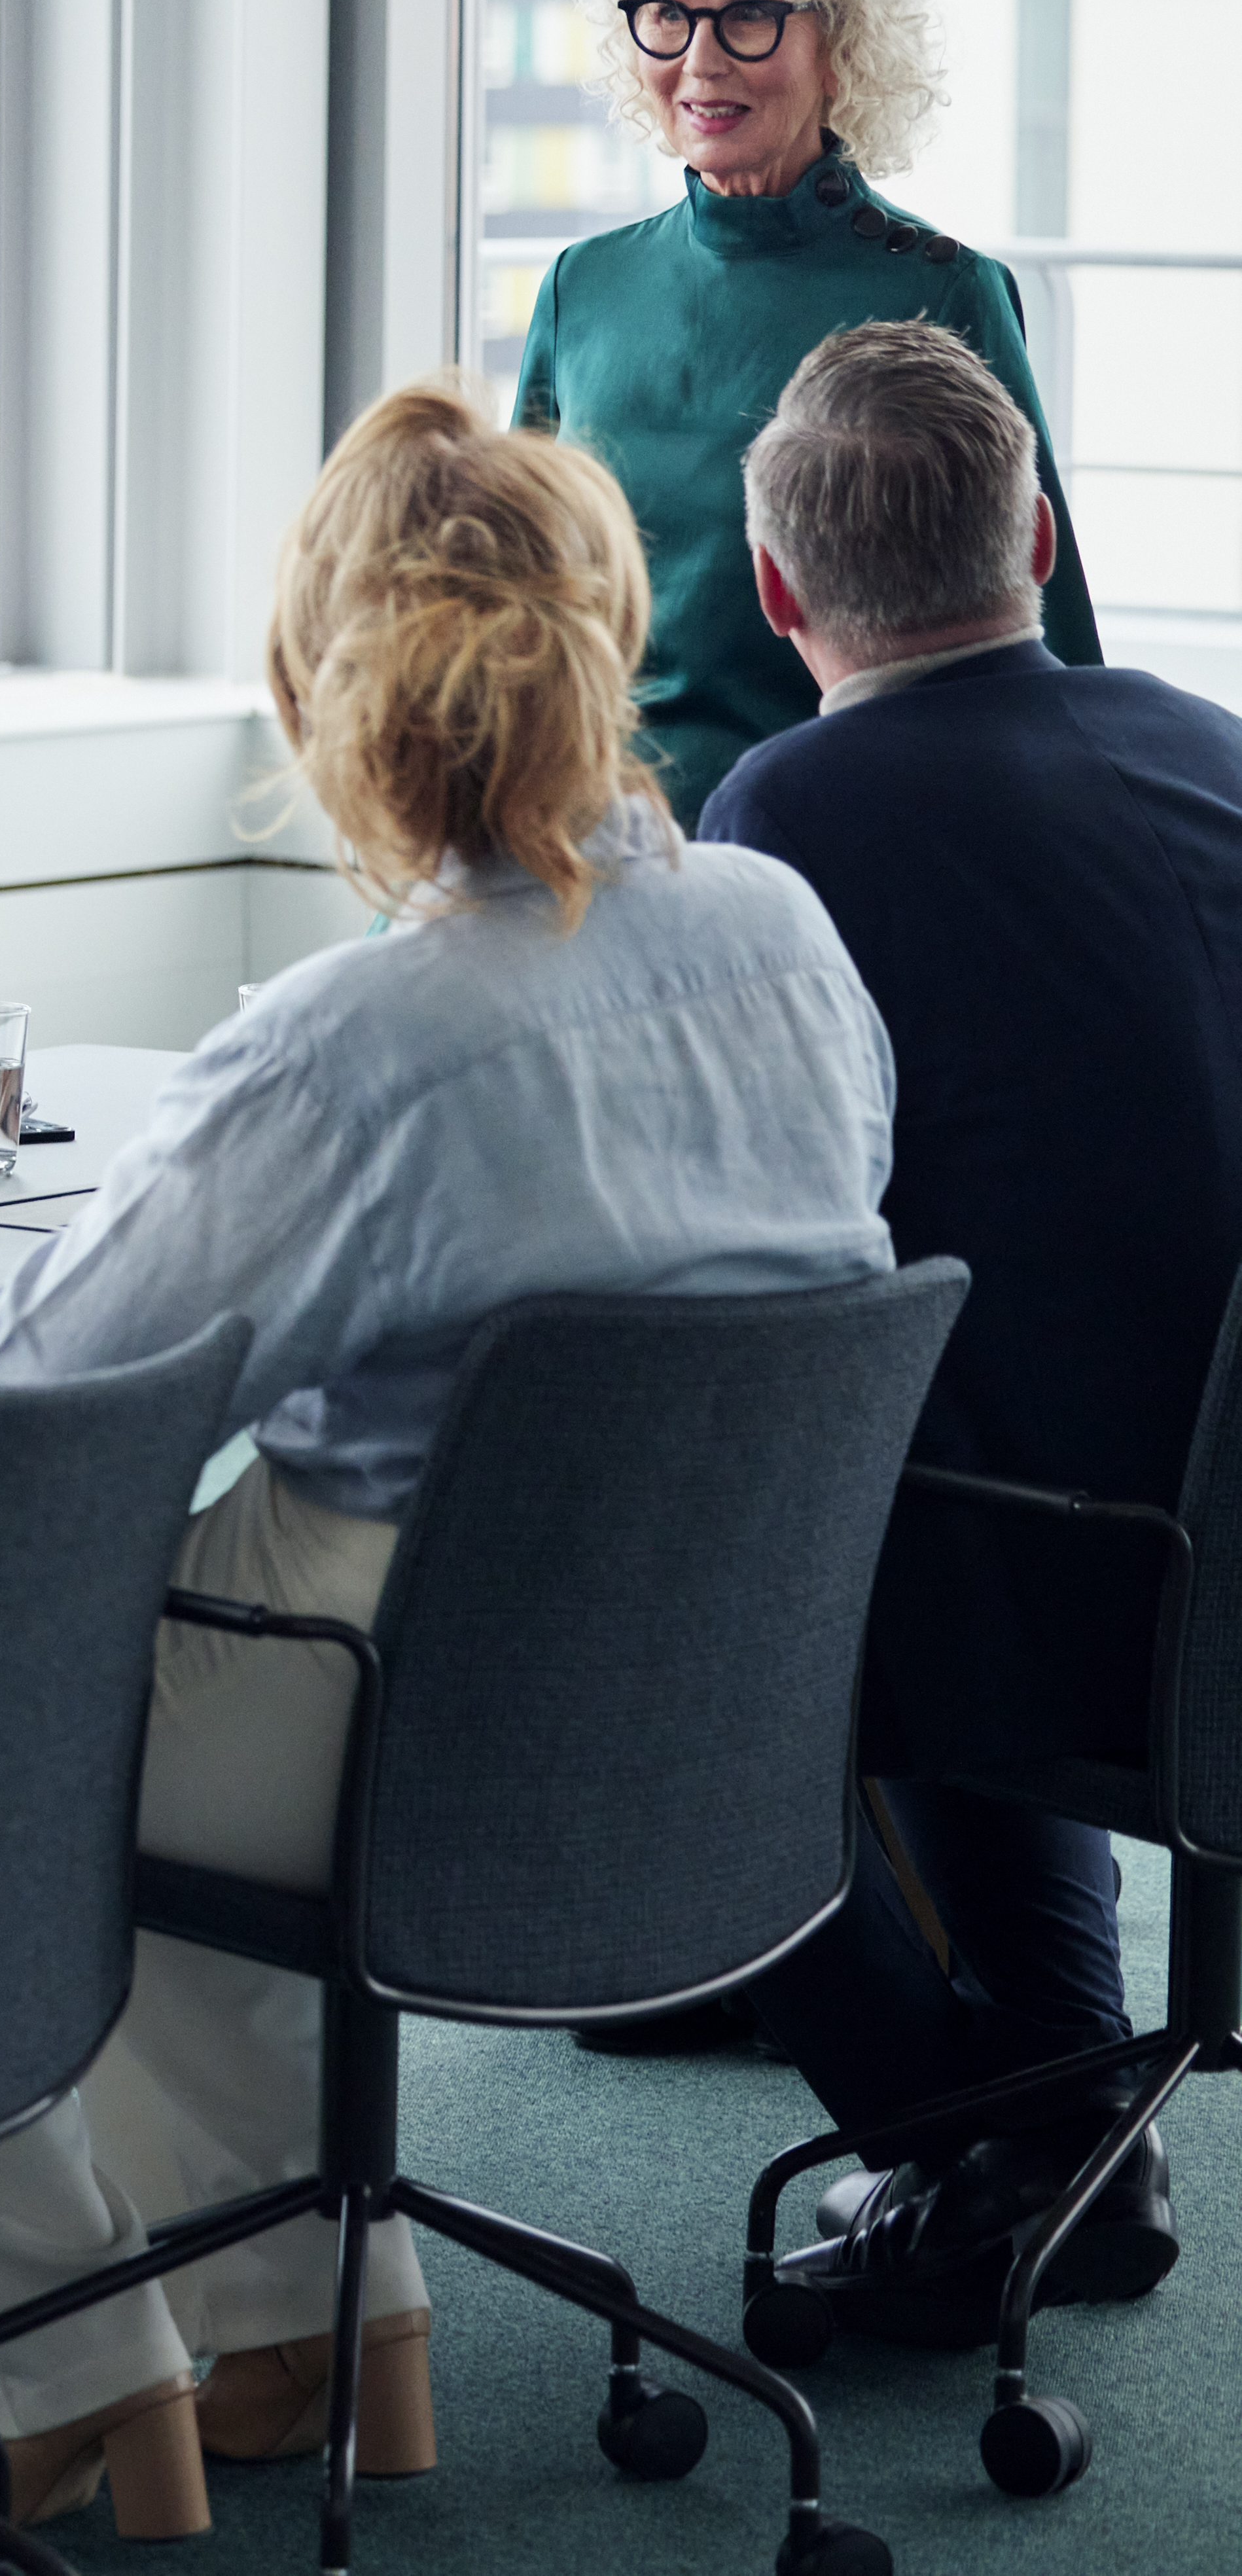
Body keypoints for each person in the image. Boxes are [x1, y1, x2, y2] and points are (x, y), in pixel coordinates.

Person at [0, 381, 896, 2538]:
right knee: (149, 1717)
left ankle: (52, 2374)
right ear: (611, 628)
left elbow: (22, 1419)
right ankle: (321, 2319)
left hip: (396, 1710)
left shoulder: (353, 1046)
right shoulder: (786, 928)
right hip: (707, 1713)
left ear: (323, 690)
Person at [706, 321, 1242, 2341]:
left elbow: (749, 1227)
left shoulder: (790, 812)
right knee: (958, 1439)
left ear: (773, 591)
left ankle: (1004, 2124)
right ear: (1033, 530)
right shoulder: (1208, 747)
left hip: (1041, 1570)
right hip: (1199, 1576)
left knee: (671, 1581)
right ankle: (1058, 2124)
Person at [517, 0, 1101, 821]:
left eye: (748, 16)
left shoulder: (948, 293)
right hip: (594, 837)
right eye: (667, 16)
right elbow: (511, 607)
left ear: (838, 46)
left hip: (845, 828)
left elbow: (1045, 645)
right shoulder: (584, 286)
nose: (699, 61)